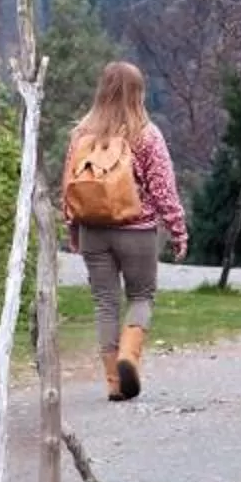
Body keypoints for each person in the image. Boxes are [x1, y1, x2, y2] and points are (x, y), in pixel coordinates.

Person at [58, 60, 187, 401]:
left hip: (93, 230)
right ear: (139, 93)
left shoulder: (81, 136)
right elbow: (163, 189)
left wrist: (72, 227)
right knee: (141, 296)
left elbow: (69, 186)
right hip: (137, 229)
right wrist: (177, 230)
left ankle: (114, 381)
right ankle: (130, 356)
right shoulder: (146, 135)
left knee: (104, 303)